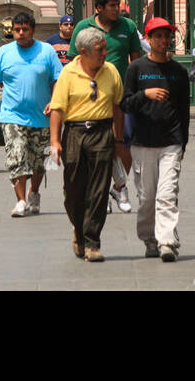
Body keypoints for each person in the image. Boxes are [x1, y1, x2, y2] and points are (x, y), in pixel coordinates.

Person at [49, 27, 124, 262]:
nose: (105, 53)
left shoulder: (111, 71)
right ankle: (78, 229)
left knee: (99, 190)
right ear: (83, 51)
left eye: (105, 49)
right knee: (73, 189)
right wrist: (55, 141)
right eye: (100, 50)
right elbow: (57, 109)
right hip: (75, 133)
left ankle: (92, 242)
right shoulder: (68, 74)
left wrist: (118, 139)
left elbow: (118, 106)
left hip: (102, 132)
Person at [68, 0, 142, 212]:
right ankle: (97, 192)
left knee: (124, 143)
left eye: (118, 5)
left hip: (121, 96)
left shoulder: (127, 27)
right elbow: (73, 62)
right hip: (91, 97)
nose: (117, 10)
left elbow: (136, 61)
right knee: (95, 145)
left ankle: (119, 187)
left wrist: (137, 94)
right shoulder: (83, 27)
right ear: (99, 8)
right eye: (112, 6)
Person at [123, 17, 190, 261]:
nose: (164, 40)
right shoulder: (136, 69)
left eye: (167, 35)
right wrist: (145, 94)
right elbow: (125, 103)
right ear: (148, 40)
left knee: (167, 194)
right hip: (142, 142)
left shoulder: (178, 71)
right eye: (158, 36)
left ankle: (167, 242)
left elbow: (184, 110)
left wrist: (184, 142)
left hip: (171, 141)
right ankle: (149, 239)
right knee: (146, 198)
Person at [0, 10, 62, 218]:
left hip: (41, 117)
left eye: (24, 30)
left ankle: (34, 193)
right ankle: (20, 201)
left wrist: (54, 102)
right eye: (17, 30)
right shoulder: (4, 52)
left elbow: (58, 79)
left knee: (39, 162)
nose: (20, 33)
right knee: (16, 156)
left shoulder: (46, 51)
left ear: (32, 31)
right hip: (12, 115)